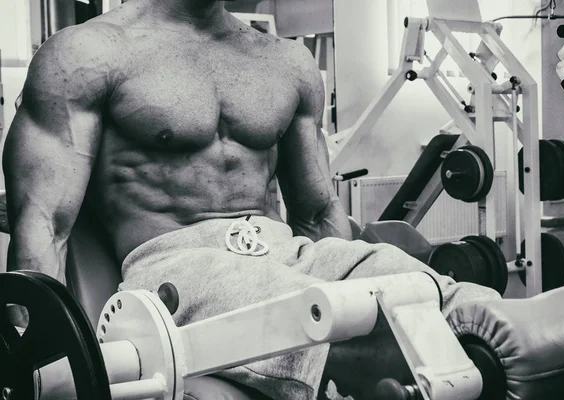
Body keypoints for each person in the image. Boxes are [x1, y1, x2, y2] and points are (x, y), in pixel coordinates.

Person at [3, 0, 500, 399]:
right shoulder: (88, 54)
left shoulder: (286, 61)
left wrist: (355, 275)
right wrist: (44, 369)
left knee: (432, 291)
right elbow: (44, 224)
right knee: (324, 319)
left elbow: (318, 213)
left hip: (284, 250)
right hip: (177, 266)